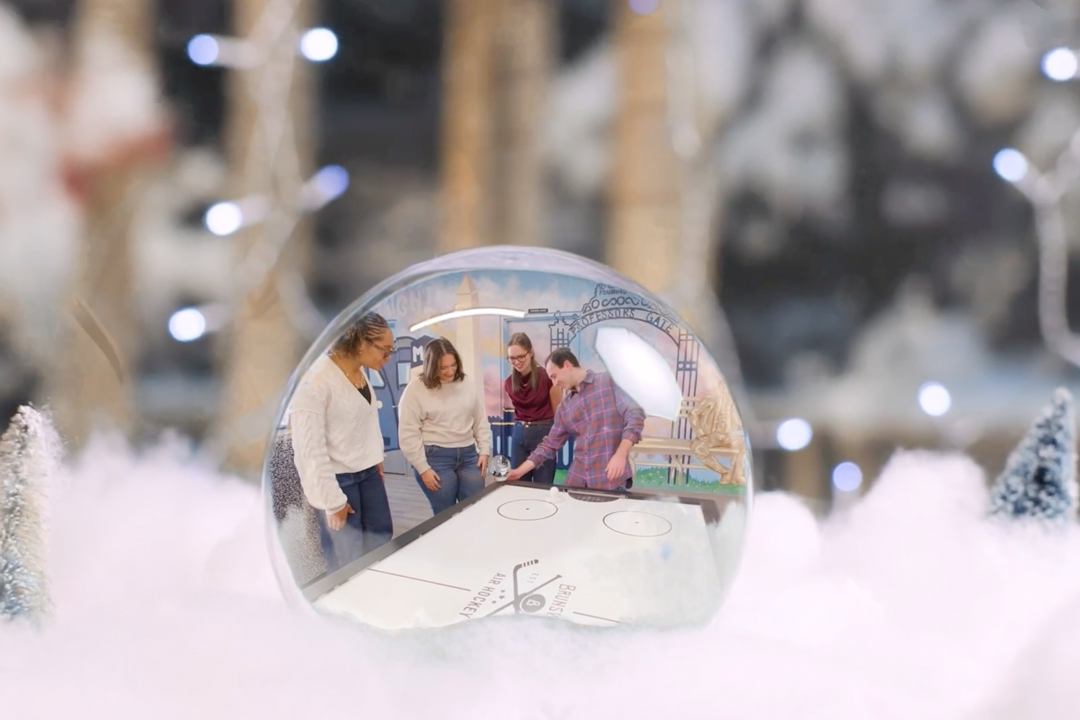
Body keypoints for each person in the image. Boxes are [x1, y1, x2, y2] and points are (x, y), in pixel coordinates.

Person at [289, 312, 395, 575]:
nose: (388, 356)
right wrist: (332, 502)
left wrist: (376, 458)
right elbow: (309, 450)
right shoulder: (315, 381)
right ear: (361, 343)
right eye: (385, 349)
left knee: (381, 540)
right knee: (347, 558)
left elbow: (364, 422)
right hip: (339, 480)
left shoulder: (359, 374)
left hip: (368, 473)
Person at [506, 347, 645, 491]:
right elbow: (549, 445)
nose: (554, 383)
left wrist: (621, 453)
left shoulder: (609, 382)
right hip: (576, 482)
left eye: (554, 376)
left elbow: (635, 415)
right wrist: (519, 471)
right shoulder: (564, 407)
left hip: (609, 481)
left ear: (567, 365)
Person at [398, 337, 493, 515]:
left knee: (474, 508)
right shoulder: (416, 389)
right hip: (435, 457)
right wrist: (423, 468)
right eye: (443, 368)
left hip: (468, 454)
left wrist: (484, 450)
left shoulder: (466, 383)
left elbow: (479, 419)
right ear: (431, 366)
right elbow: (407, 433)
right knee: (444, 514)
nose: (450, 372)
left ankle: (471, 542)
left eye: (453, 365)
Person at [504, 332, 561, 484]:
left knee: (543, 484)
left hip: (543, 432)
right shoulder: (509, 383)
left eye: (521, 356)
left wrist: (552, 437)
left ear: (530, 353)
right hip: (519, 433)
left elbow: (558, 414)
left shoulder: (547, 377)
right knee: (519, 482)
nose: (516, 362)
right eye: (512, 358)